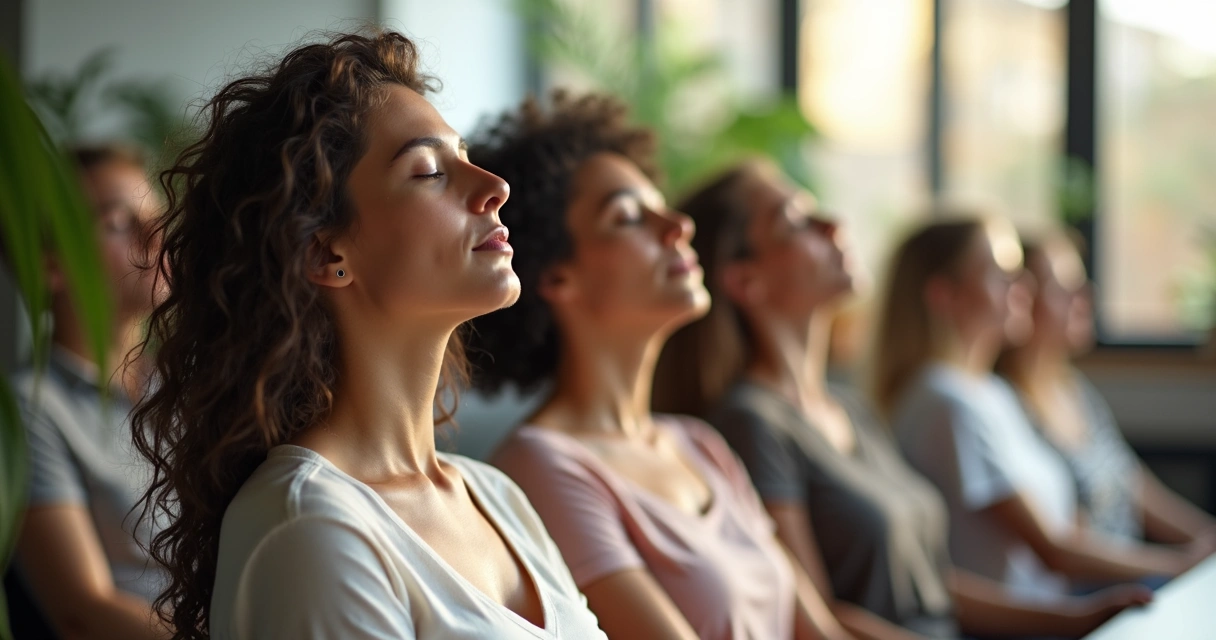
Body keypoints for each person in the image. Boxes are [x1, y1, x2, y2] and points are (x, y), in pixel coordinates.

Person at [130, 32, 606, 640]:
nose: (494, 187)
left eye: (463, 154)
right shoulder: (307, 524)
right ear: (328, 251)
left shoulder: (498, 500)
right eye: (430, 170)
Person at [655, 160, 1152, 639]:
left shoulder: (850, 409)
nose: (833, 224)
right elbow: (814, 619)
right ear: (745, 280)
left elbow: (934, 587)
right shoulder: (751, 423)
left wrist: (1078, 620)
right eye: (796, 222)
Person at [465, 93, 851, 640]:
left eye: (661, 205)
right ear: (556, 278)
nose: (677, 224)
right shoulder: (543, 469)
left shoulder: (700, 446)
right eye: (627, 217)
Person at [870, 216, 1199, 604]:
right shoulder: (945, 402)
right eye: (1001, 274)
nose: (1024, 286)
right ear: (946, 295)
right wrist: (1184, 567)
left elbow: (1082, 517)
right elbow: (1054, 550)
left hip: (1055, 611)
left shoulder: (991, 392)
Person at [8, 143, 169, 639]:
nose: (157, 235)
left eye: (156, 216)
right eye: (120, 221)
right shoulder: (28, 409)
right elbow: (83, 611)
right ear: (51, 265)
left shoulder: (186, 391)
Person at [994, 230, 1216, 564]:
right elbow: (1059, 544)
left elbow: (1132, 484)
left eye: (1081, 283)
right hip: (1097, 588)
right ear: (1023, 299)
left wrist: (1205, 540)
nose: (1084, 297)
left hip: (1136, 567)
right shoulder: (1004, 406)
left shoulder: (1073, 388)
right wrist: (1177, 566)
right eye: (1062, 288)